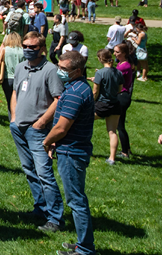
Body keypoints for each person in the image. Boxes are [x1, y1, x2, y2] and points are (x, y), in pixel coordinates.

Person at [10, 31, 65, 233]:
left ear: (42, 48)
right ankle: (40, 208)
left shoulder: (51, 70)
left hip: (37, 130)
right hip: (19, 127)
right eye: (25, 46)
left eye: (32, 47)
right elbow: (15, 91)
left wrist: (41, 122)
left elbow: (58, 99)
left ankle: (55, 218)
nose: (27, 50)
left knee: (44, 173)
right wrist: (14, 119)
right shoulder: (20, 67)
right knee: (29, 170)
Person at [43, 51, 96, 255]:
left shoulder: (75, 92)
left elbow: (61, 128)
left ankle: (84, 249)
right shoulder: (79, 87)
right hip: (71, 148)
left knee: (76, 200)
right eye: (59, 67)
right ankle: (84, 242)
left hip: (72, 152)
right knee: (76, 199)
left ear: (78, 71)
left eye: (64, 69)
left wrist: (47, 142)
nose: (59, 71)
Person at [91, 49, 123, 165]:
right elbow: (119, 90)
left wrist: (91, 102)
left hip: (101, 105)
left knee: (82, 121)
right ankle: (112, 158)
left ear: (100, 59)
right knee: (112, 132)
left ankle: (83, 149)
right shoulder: (118, 72)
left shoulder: (100, 73)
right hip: (115, 104)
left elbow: (95, 92)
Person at [0, 31, 25, 112]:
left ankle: (12, 121)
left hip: (8, 78)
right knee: (20, 102)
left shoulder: (5, 50)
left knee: (10, 103)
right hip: (21, 79)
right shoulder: (23, 50)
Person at [114, 42, 135, 158]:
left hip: (122, 96)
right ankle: (127, 149)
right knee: (120, 125)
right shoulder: (121, 64)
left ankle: (125, 152)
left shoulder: (124, 66)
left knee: (120, 125)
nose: (114, 54)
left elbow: (114, 79)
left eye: (117, 52)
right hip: (122, 96)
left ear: (124, 53)